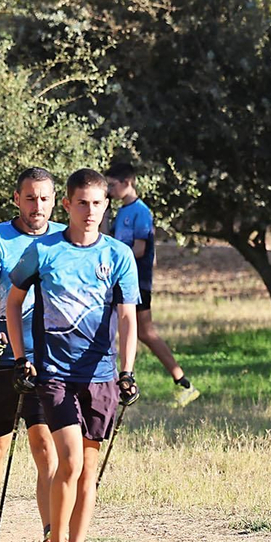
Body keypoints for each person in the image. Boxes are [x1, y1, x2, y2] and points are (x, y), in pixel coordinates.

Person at [5, 168, 139, 542]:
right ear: (67, 205)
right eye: (81, 203)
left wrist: (127, 372)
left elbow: (128, 318)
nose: (89, 211)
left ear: (106, 206)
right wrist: (23, 358)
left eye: (98, 203)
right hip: (56, 374)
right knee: (70, 460)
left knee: (88, 474)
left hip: (100, 376)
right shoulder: (43, 251)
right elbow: (13, 304)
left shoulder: (119, 256)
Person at [0, 167, 62, 542]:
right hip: (2, 359)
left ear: (55, 201)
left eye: (43, 198)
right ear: (17, 200)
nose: (36, 205)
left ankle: (50, 538)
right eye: (29, 198)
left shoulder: (64, 238)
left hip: (49, 362)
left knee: (46, 448)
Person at [105, 162, 199, 407]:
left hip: (136, 281)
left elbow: (139, 249)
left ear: (128, 182)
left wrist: (115, 261)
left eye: (112, 185)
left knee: (142, 331)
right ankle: (182, 382)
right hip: (120, 280)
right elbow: (104, 241)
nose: (109, 190)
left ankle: (180, 382)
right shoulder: (121, 211)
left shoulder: (141, 212)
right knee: (138, 331)